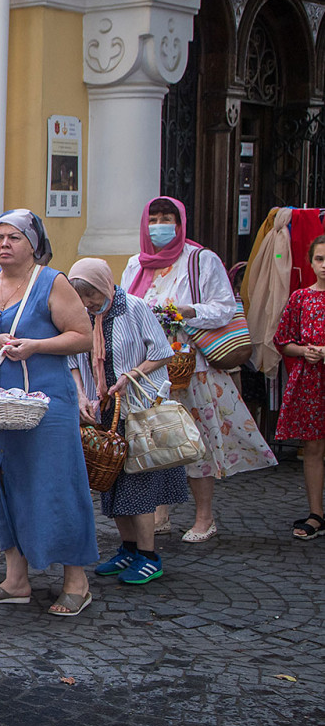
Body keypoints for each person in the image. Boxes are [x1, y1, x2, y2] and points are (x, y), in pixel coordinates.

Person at [0, 209, 97, 616]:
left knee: (57, 484)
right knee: (3, 483)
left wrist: (36, 346)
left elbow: (83, 337)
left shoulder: (51, 282)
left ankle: (76, 581)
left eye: (14, 237)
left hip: (47, 402)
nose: (4, 244)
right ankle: (15, 579)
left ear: (34, 244)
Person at [120, 196, 274, 542]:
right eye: (153, 219)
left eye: (167, 219)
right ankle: (159, 513)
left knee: (196, 440)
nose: (159, 226)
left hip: (192, 366)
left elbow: (224, 307)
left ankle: (205, 516)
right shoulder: (135, 264)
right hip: (149, 369)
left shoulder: (201, 259)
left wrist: (187, 312)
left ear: (180, 223)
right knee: (156, 439)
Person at [68, 258, 189, 584]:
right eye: (82, 297)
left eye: (92, 295)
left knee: (138, 485)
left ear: (105, 286)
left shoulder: (133, 308)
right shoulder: (82, 315)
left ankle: (149, 556)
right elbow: (73, 361)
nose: (89, 303)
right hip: (104, 413)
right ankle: (129, 549)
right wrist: (81, 396)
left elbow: (162, 352)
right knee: (110, 484)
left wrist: (129, 376)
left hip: (136, 410)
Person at [273, 234, 325, 541]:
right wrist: (304, 351)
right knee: (313, 447)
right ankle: (316, 513)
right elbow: (283, 340)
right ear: (311, 262)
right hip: (311, 380)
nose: (324, 265)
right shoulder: (301, 298)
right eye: (319, 259)